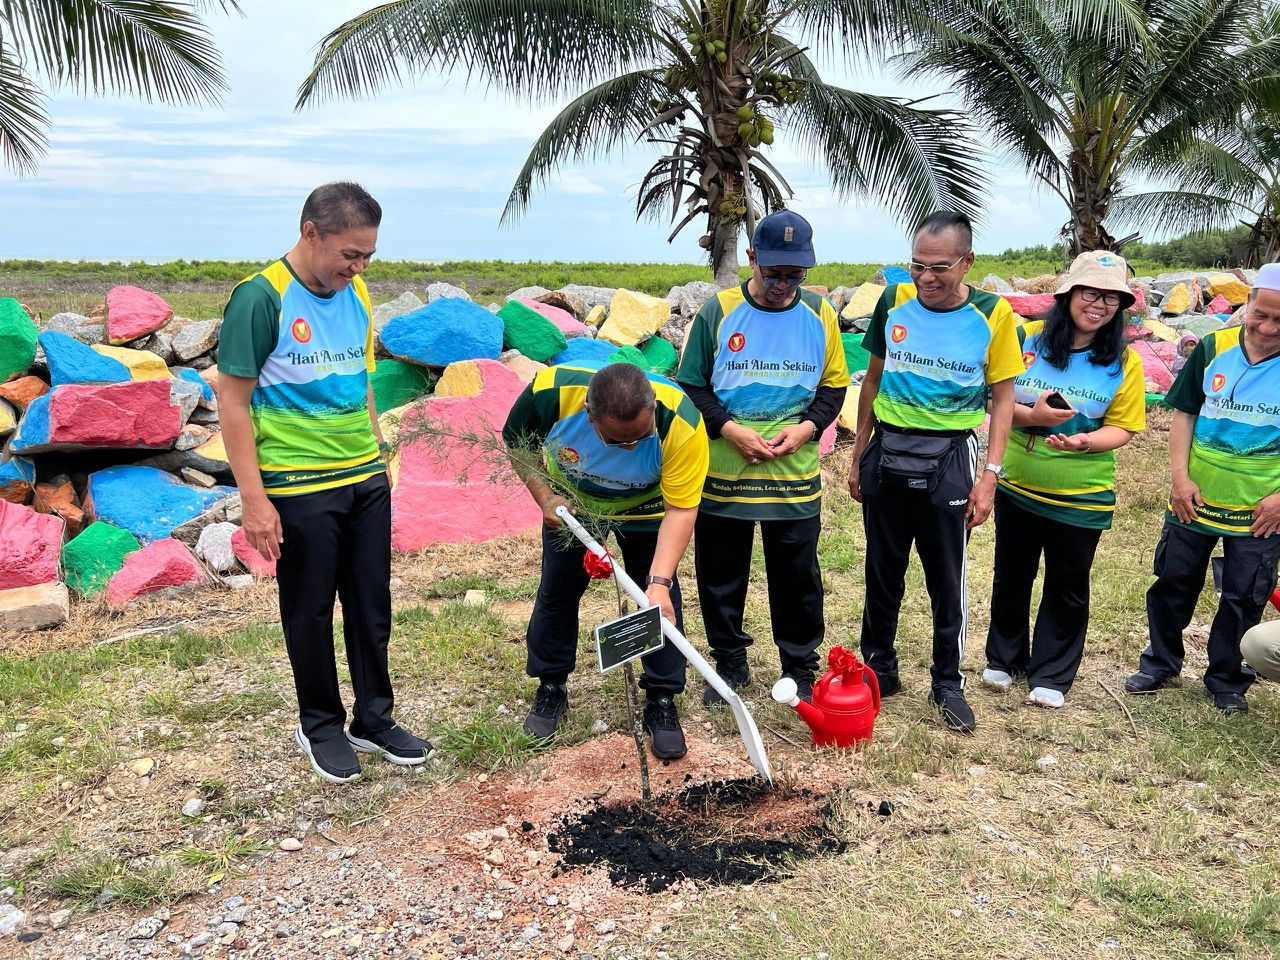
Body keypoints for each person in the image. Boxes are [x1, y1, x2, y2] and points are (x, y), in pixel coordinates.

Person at [218, 182, 432, 784]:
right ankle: (321, 725)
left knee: (371, 604)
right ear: (311, 233)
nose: (359, 267)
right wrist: (254, 503)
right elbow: (232, 405)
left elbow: (361, 378)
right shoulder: (259, 300)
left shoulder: (356, 292)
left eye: (367, 256)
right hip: (299, 481)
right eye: (350, 254)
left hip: (364, 474)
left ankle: (374, 718)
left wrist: (378, 451)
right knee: (309, 610)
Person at [848, 211, 1023, 733]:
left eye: (939, 267)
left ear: (967, 262)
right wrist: (859, 454)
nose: (926, 278)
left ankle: (947, 681)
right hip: (888, 450)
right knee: (882, 569)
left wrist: (990, 474)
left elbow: (1005, 397)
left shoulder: (994, 313)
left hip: (951, 456)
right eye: (917, 265)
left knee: (947, 577)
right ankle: (880, 667)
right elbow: (874, 378)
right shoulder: (892, 301)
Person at [675, 210, 848, 705]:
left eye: (796, 275)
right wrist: (730, 430)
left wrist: (808, 427)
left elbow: (834, 386)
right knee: (720, 574)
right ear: (751, 259)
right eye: (772, 274)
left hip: (793, 479)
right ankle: (729, 662)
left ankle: (800, 666)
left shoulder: (820, 314)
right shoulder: (719, 311)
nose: (783, 285)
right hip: (725, 476)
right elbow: (692, 385)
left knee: (797, 578)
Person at [502, 361, 709, 759]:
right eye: (616, 441)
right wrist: (545, 497)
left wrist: (659, 582)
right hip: (575, 505)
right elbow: (518, 443)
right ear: (589, 413)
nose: (631, 447)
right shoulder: (551, 392)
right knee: (558, 591)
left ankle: (662, 700)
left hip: (649, 508)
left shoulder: (680, 419)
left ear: (651, 410)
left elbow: (681, 511)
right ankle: (551, 686)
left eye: (640, 437)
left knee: (658, 604)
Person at [982, 251, 1146, 708]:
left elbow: (1125, 427)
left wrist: (1084, 443)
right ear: (1068, 294)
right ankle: (1004, 656)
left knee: (1068, 582)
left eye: (1112, 298)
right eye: (1091, 292)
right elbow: (994, 401)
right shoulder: (1025, 338)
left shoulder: (1123, 362)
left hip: (1082, 494)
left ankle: (1052, 673)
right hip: (1017, 482)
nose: (1099, 304)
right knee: (1011, 572)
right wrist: (1030, 415)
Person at [1125, 263, 1280, 714]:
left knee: (1244, 594)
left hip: (1260, 509)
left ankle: (1228, 677)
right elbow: (1185, 413)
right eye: (1261, 314)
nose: (1268, 328)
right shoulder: (1213, 346)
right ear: (1247, 305)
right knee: (1173, 580)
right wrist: (1179, 477)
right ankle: (1160, 662)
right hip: (1194, 497)